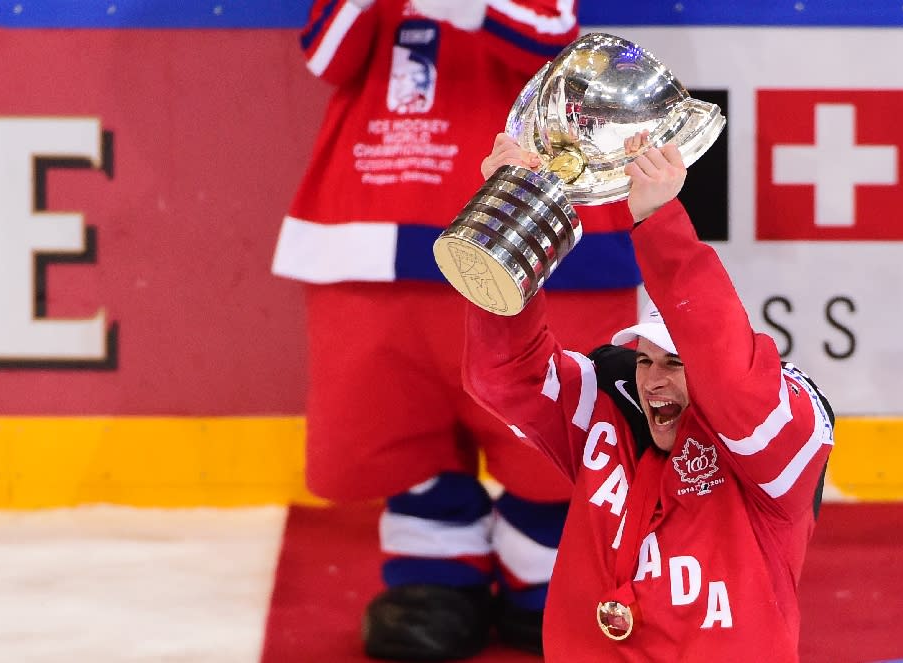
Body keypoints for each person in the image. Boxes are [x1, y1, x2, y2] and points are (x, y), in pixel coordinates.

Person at [270, 0, 640, 659]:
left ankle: (547, 568)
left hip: (523, 193)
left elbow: (549, 35)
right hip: (379, 198)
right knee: (389, 403)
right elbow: (326, 54)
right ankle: (434, 572)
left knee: (550, 408)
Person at [461, 131, 835, 661]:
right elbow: (503, 374)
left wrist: (660, 221)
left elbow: (733, 385)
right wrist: (512, 221)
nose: (653, 379)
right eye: (644, 360)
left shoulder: (778, 443)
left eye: (676, 363)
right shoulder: (610, 413)